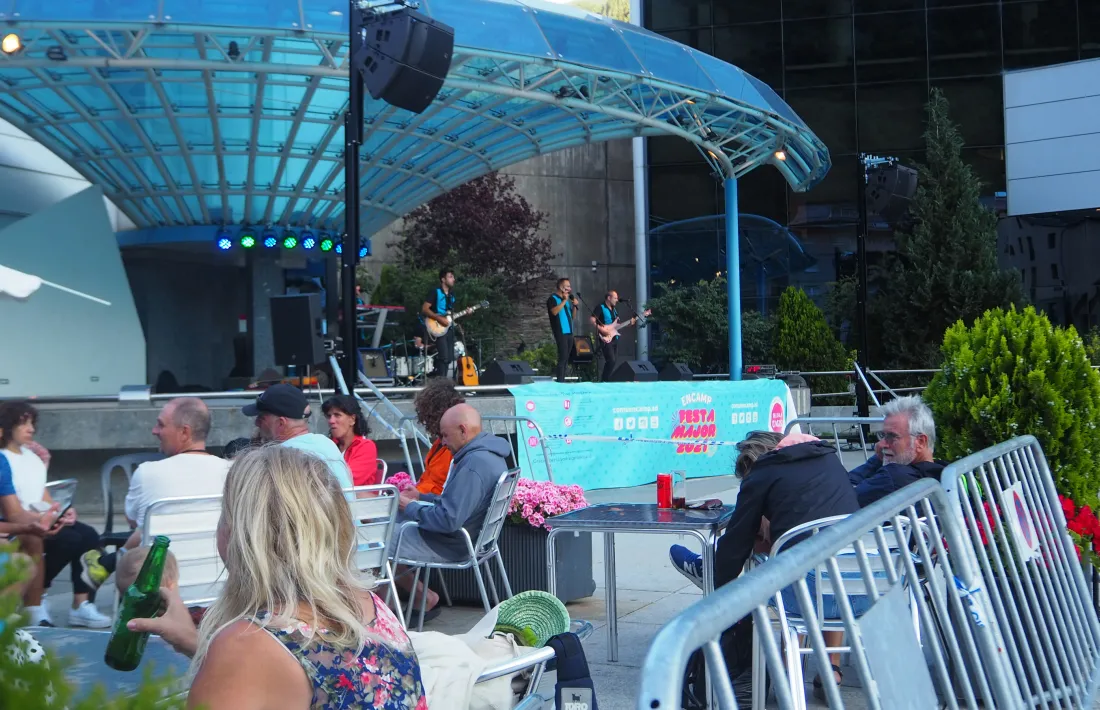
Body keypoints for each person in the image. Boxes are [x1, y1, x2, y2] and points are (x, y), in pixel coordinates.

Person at [125, 445, 427, 710]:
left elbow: (270, 667)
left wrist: (219, 651)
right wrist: (193, 641)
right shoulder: (367, 604)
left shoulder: (248, 646)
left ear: (241, 535)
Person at [669, 431, 863, 698]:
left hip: (806, 595)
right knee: (819, 557)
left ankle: (786, 678)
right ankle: (828, 670)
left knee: (780, 562)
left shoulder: (763, 474)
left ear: (753, 465)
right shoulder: (829, 460)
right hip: (863, 592)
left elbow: (736, 544)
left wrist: (721, 586)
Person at [82, 398, 230, 593]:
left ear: (184, 432)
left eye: (161, 425)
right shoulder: (232, 471)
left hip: (162, 596)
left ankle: (106, 564)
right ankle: (106, 563)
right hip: (221, 595)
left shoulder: (147, 473)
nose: (154, 431)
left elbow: (134, 522)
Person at [0, 401, 112, 628]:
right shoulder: (3, 459)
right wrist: (45, 519)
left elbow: (45, 498)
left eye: (32, 423)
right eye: (23, 423)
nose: (31, 428)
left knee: (88, 534)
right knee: (59, 538)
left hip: (35, 518)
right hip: (18, 524)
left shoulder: (32, 458)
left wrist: (63, 512)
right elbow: (13, 514)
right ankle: (34, 606)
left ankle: (80, 606)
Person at [394, 404, 510, 617]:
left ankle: (380, 617)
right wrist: (421, 497)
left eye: (446, 436)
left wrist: (409, 507)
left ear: (463, 430)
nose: (443, 443)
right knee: (378, 535)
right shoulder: (492, 456)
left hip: (448, 544)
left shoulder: (473, 464)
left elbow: (448, 520)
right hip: (470, 541)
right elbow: (459, 504)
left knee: (371, 543)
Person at [243, 384, 353, 490]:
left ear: (281, 423)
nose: (257, 423)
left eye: (261, 418)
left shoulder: (278, 458)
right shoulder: (326, 444)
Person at [848, 395, 946, 507]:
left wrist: (877, 460)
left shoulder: (892, 478)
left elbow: (840, 495)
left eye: (892, 436)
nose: (881, 444)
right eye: (883, 435)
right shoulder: (945, 473)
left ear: (920, 442)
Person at [412, 378, 466, 496]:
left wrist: (416, 497)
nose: (425, 420)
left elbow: (445, 492)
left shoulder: (455, 445)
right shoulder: (441, 442)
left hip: (431, 505)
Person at [323, 395, 380, 486]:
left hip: (355, 499)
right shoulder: (328, 445)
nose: (331, 420)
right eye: (329, 416)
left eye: (337, 415)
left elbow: (347, 482)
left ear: (352, 420)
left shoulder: (366, 447)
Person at [589, 290, 634, 382]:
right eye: (615, 298)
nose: (617, 300)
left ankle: (606, 380)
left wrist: (629, 323)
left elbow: (618, 325)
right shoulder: (600, 307)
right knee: (611, 360)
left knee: (613, 362)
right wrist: (601, 329)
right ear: (609, 298)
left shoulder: (614, 310)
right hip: (606, 338)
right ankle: (604, 381)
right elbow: (592, 320)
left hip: (614, 338)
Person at [421, 268, 458, 380]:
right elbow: (425, 309)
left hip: (449, 328)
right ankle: (440, 383)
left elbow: (450, 314)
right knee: (444, 357)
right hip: (437, 327)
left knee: (450, 357)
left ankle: (441, 380)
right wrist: (439, 318)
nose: (453, 279)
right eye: (450, 276)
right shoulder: (435, 292)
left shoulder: (452, 295)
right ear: (443, 279)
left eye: (453, 277)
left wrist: (467, 312)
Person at [546, 277, 577, 383]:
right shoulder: (553, 298)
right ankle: (560, 382)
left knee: (566, 359)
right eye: (567, 286)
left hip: (569, 332)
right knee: (562, 357)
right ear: (560, 287)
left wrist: (574, 306)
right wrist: (564, 300)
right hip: (561, 332)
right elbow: (554, 312)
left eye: (569, 286)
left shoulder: (567, 300)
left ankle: (562, 380)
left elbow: (572, 317)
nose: (570, 288)